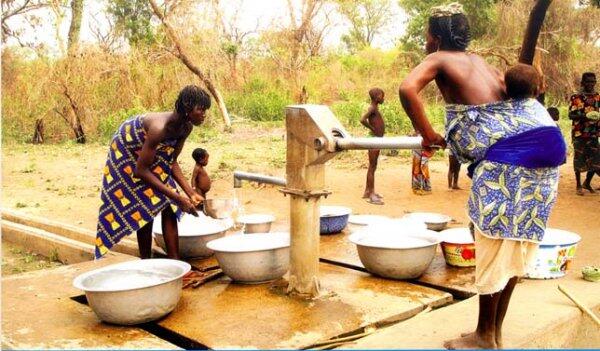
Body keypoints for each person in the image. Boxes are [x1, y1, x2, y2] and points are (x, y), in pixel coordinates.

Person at [398, 3, 565, 349]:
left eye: (428, 34)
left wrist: (427, 133)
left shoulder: (440, 59)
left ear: (436, 36)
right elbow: (509, 103)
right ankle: (492, 333)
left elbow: (407, 89)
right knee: (513, 247)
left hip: (510, 162)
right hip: (543, 155)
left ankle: (484, 336)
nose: (427, 40)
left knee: (493, 246)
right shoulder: (483, 63)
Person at [95, 85, 210, 260]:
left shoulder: (186, 127)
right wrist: (179, 198)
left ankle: (175, 262)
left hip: (150, 153)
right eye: (201, 110)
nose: (204, 114)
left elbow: (171, 162)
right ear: (187, 108)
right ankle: (146, 262)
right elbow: (141, 171)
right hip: (127, 149)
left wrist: (190, 193)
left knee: (169, 204)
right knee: (144, 203)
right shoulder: (159, 128)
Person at [569, 72, 600, 195]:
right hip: (579, 133)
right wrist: (585, 116)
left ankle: (587, 182)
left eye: (593, 81)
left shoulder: (597, 97)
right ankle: (578, 185)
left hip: (593, 133)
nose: (590, 84)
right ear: (582, 83)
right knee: (579, 158)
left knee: (596, 159)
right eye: (588, 81)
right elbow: (571, 115)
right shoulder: (576, 97)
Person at [360, 87, 386, 205]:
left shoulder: (375, 108)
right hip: (374, 139)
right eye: (381, 95)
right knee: (372, 166)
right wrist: (373, 128)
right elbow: (362, 119)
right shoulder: (372, 108)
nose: (383, 98)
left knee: (373, 166)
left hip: (377, 139)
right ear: (376, 97)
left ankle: (367, 191)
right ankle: (371, 194)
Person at [411, 131, 433, 195]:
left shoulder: (426, 130)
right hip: (416, 150)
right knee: (416, 169)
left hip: (424, 150)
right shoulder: (414, 133)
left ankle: (427, 187)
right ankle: (417, 187)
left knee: (424, 168)